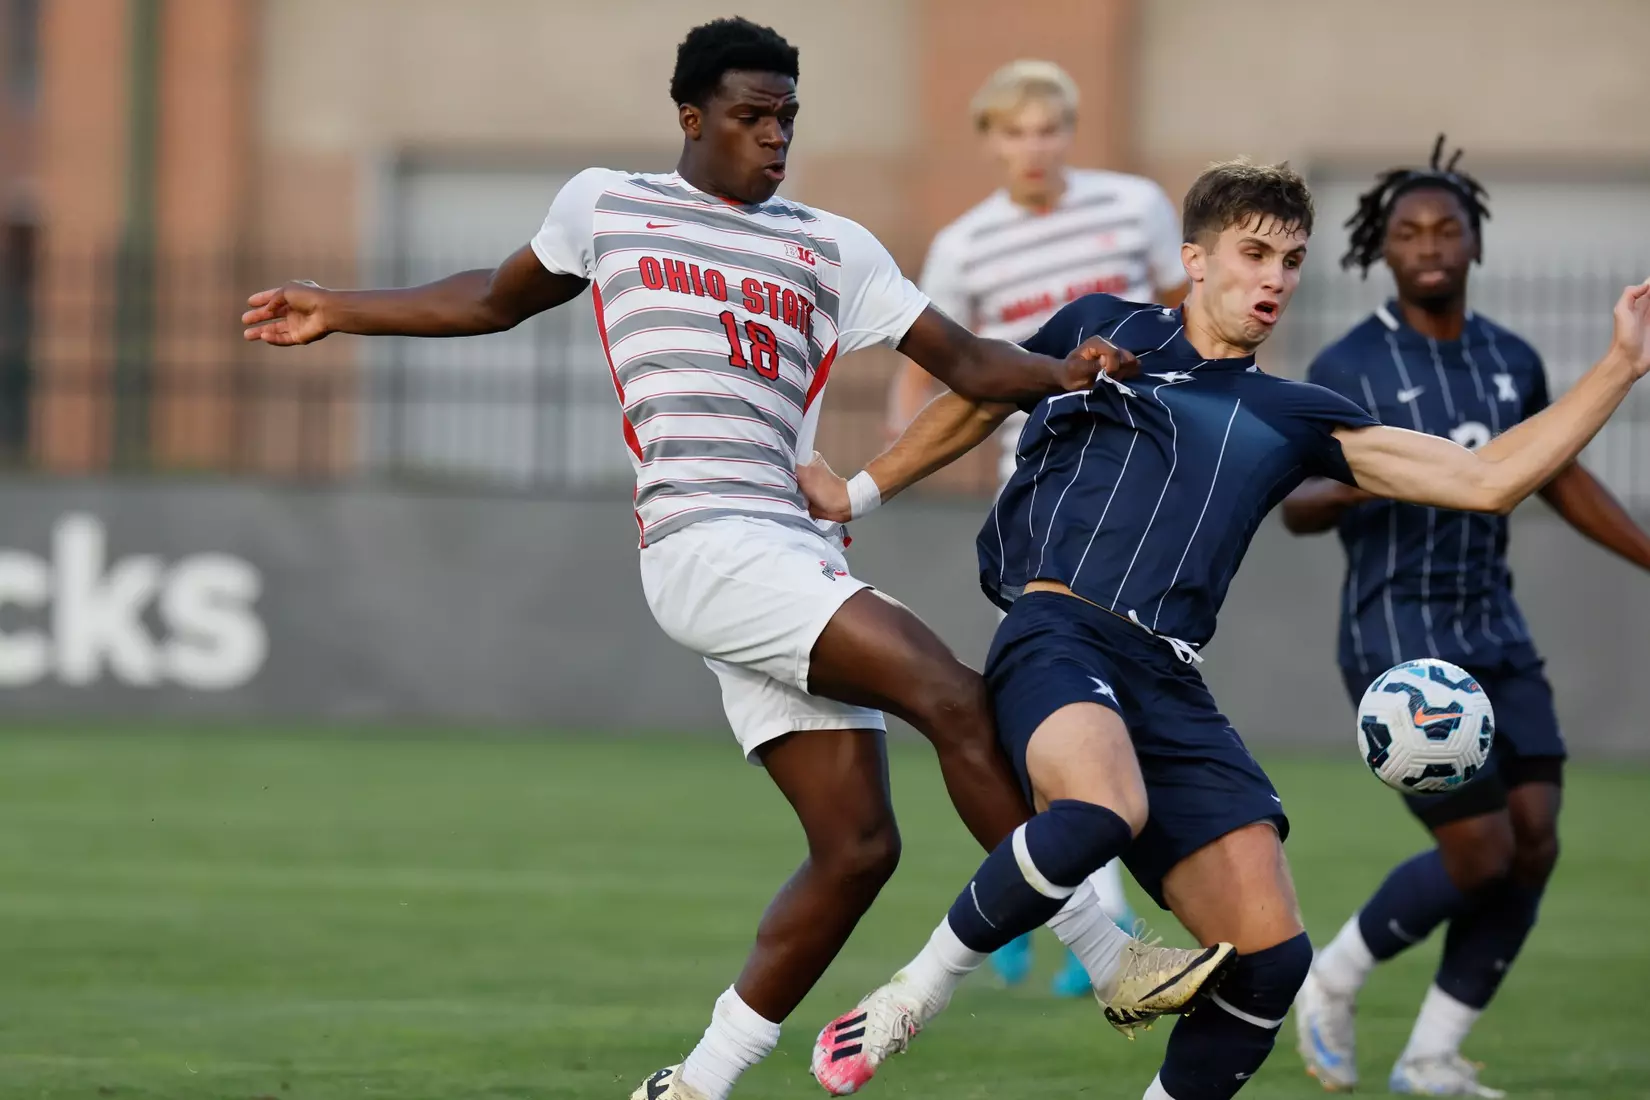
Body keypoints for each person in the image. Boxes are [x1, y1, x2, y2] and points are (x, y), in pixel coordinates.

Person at [240, 18, 1226, 1100]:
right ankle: (1110, 957)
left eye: (787, 116)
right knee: (951, 694)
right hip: (703, 541)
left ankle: (694, 1082)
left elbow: (972, 362)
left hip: (790, 550)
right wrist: (338, 308)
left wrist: (1067, 371)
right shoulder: (606, 205)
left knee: (857, 848)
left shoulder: (832, 245)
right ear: (692, 117)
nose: (774, 136)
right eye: (752, 115)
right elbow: (491, 298)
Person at [798, 157, 1650, 1100]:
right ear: (1196, 260)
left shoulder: (1292, 415)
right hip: (1059, 632)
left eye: (1291, 260)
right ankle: (908, 997)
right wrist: (859, 489)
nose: (1275, 278)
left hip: (1170, 675)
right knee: (1100, 810)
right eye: (1254, 253)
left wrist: (1620, 364)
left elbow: (1486, 480)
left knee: (1272, 960)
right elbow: (978, 397)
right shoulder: (1102, 326)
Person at [1283, 138, 1650, 1098]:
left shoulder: (1511, 358)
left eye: (1447, 229)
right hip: (1398, 637)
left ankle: (1431, 1056)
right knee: (1480, 849)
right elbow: (1296, 506)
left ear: (1476, 241)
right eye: (1408, 232)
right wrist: (1372, 474)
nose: (1429, 245)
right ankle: (1332, 977)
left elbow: (1559, 476)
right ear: (1384, 250)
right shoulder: (1349, 364)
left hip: (1494, 625)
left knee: (1536, 838)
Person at [884, 58, 1190, 998]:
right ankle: (1068, 901)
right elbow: (927, 364)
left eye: (1048, 128)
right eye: (1015, 131)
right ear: (991, 140)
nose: (1034, 147)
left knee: (1090, 704)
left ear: (1069, 131)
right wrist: (904, 459)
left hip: (1143, 478)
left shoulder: (1132, 207)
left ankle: (1050, 897)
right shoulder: (966, 245)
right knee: (1055, 705)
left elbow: (1187, 319)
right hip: (1043, 490)